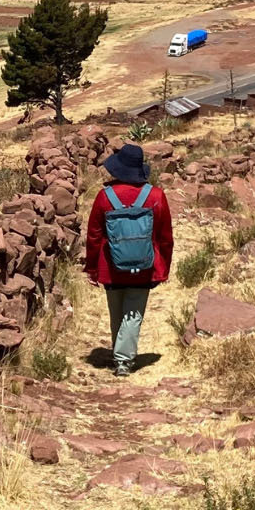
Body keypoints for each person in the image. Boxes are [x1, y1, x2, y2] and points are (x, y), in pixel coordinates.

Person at [82, 143, 174, 376]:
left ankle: (120, 356)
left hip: (110, 266)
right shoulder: (155, 196)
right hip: (144, 266)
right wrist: (164, 268)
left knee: (117, 312)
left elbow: (94, 236)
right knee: (133, 313)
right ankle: (123, 359)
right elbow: (165, 238)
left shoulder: (105, 197)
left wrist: (91, 268)